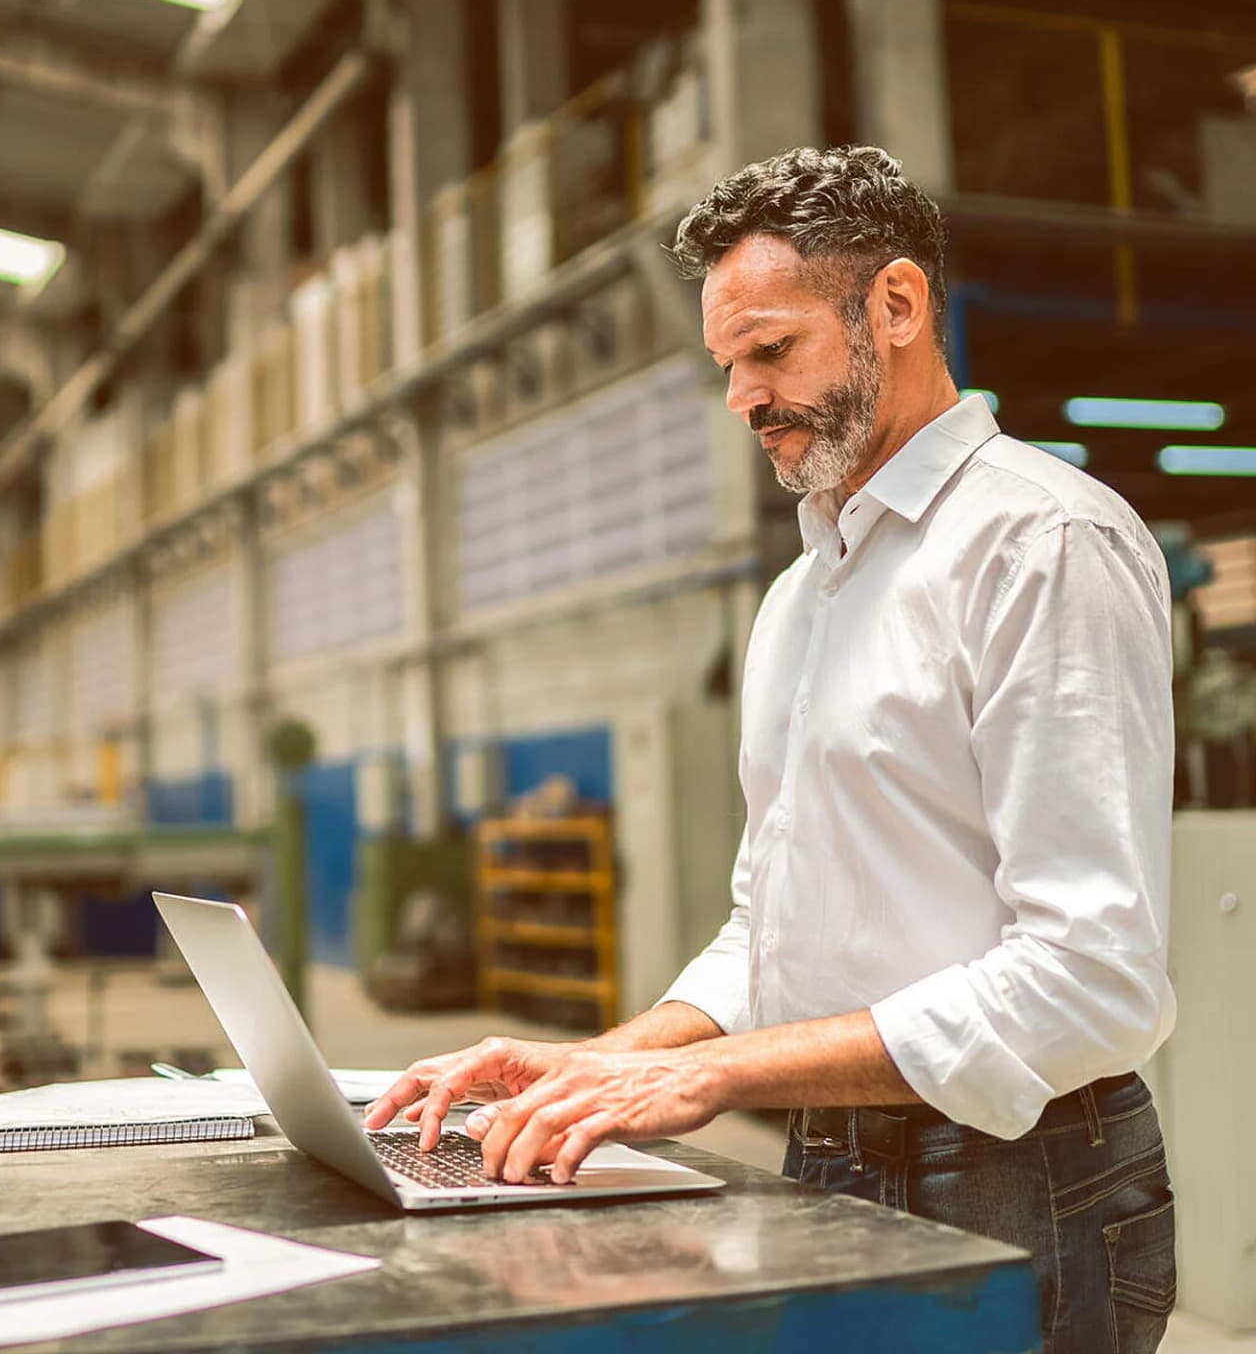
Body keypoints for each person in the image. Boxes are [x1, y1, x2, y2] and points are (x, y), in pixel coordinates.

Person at [366, 146, 1178, 1354]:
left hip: (1018, 1178)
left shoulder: (1041, 544)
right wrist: (598, 1062)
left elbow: (1089, 977)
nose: (742, 398)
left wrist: (714, 1081)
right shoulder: (808, 590)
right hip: (831, 1148)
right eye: (728, 366)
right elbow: (774, 928)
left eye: (772, 350)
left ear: (894, 307)